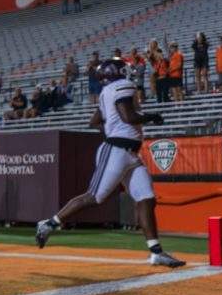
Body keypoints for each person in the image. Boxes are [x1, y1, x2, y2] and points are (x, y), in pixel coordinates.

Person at [35, 57, 184, 267]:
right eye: (124, 68)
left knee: (147, 198)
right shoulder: (123, 86)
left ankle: (156, 252)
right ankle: (49, 224)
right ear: (117, 72)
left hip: (130, 153)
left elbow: (94, 121)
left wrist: (111, 128)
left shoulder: (108, 91)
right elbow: (128, 116)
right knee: (95, 197)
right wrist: (152, 117)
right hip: (116, 150)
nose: (128, 71)